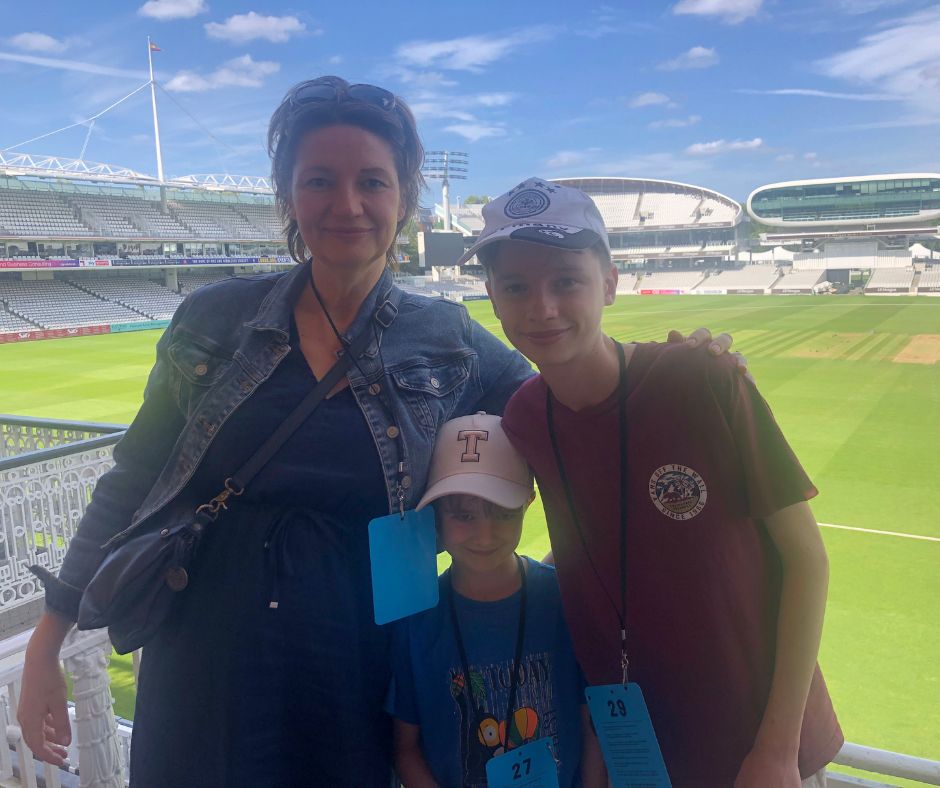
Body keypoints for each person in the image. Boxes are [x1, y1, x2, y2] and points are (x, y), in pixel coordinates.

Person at [17, 78, 735, 785]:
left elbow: (568, 406)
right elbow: (133, 477)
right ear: (289, 195)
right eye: (320, 180)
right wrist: (48, 644)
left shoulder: (447, 336)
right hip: (206, 645)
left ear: (404, 198)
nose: (347, 205)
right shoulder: (215, 318)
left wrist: (671, 372)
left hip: (359, 652)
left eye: (373, 182)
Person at [462, 178, 843, 788]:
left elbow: (807, 562)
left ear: (609, 283)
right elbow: (585, 546)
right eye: (516, 287)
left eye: (566, 281)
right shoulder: (526, 417)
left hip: (759, 748)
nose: (542, 307)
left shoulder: (702, 380)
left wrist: (776, 749)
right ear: (493, 298)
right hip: (633, 745)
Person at [388, 412, 605, 788]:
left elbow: (591, 726)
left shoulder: (564, 602)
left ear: (529, 503)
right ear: (435, 514)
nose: (485, 536)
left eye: (503, 513)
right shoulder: (418, 619)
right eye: (464, 514)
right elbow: (405, 746)